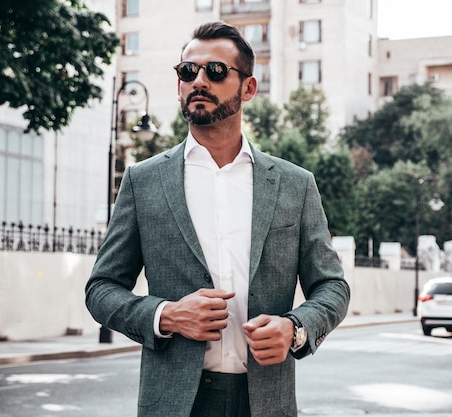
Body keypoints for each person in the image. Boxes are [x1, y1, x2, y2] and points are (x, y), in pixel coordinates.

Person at [85, 21, 350, 417]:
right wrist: (166, 315)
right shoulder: (144, 181)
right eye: (188, 71)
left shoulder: (295, 185)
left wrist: (296, 329)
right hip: (175, 403)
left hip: (265, 402)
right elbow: (102, 288)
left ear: (248, 88)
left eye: (216, 71)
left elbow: (331, 286)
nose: (199, 81)